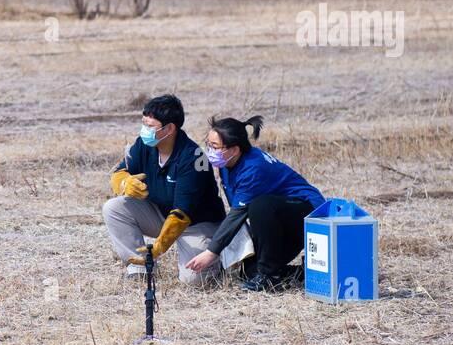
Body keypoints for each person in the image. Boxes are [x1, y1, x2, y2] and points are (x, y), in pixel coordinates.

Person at [184, 115, 325, 292]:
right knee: (248, 270)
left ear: (234, 150)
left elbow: (238, 214)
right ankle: (304, 274)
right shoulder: (227, 163)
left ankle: (269, 277)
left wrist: (211, 252)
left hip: (307, 214)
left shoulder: (253, 169)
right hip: (278, 218)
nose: (210, 151)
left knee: (260, 205)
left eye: (215, 146)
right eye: (208, 144)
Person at [102, 95, 229, 286]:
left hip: (195, 223)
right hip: (162, 214)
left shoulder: (194, 158)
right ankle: (140, 268)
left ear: (169, 128)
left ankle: (218, 260)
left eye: (150, 126)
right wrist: (123, 183)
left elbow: (182, 213)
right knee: (114, 208)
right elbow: (120, 171)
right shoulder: (144, 145)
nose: (144, 130)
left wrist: (160, 246)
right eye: (143, 123)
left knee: (193, 281)